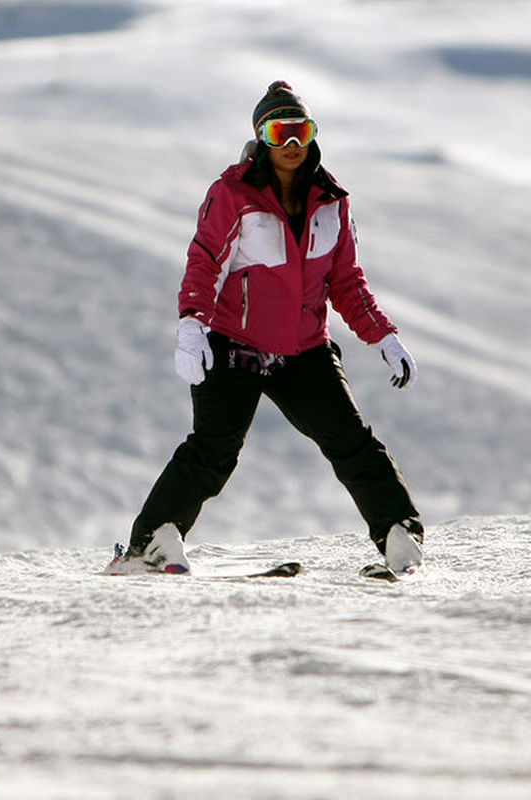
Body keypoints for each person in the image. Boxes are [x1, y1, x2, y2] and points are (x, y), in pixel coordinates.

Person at [107, 81, 425, 576]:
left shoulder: (331, 201)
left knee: (352, 441)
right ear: (262, 138)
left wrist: (382, 335)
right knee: (213, 451)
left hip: (304, 351)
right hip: (235, 348)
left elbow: (346, 280)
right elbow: (205, 262)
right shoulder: (233, 195)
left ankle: (398, 535)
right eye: (281, 133)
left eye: (301, 131)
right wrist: (192, 325)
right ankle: (154, 542)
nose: (293, 145)